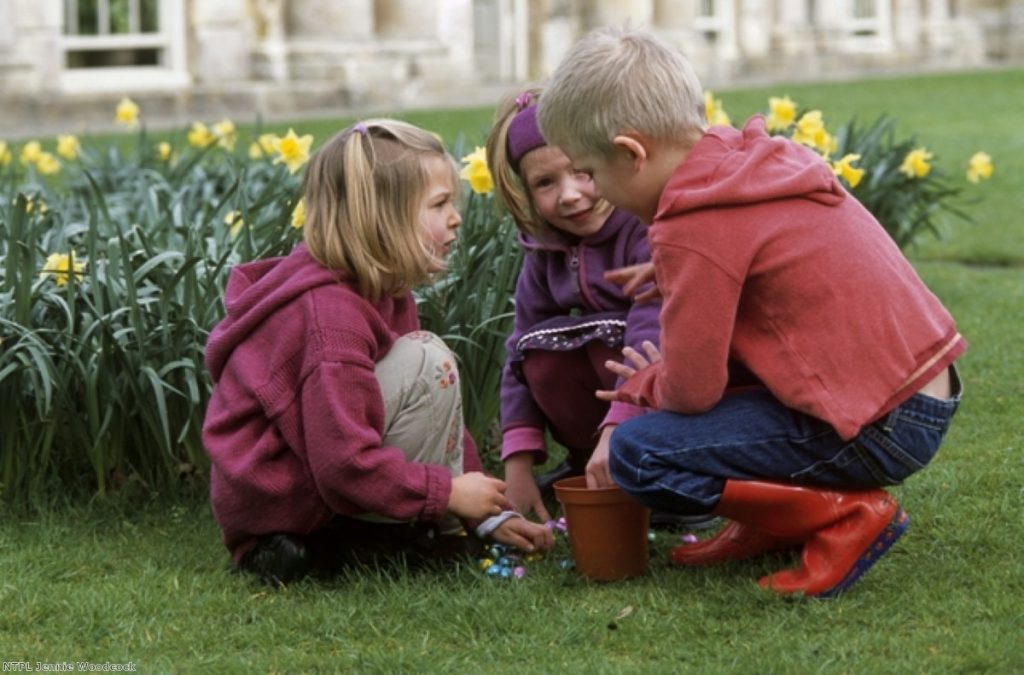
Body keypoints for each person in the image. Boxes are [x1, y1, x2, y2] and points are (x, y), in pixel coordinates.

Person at [537, 27, 965, 597]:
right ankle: (772, 521)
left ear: (633, 153)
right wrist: (676, 275)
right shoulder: (746, 163)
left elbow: (693, 392)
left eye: (590, 171)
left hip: (875, 427)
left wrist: (647, 385)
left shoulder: (693, 225)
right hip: (918, 397)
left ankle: (839, 516)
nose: (593, 190)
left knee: (641, 454)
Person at [202, 119, 553, 585]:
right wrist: (446, 493)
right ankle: (334, 542)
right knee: (428, 358)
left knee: (429, 366)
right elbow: (341, 462)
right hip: (282, 507)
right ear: (383, 218)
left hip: (316, 477)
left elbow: (438, 413)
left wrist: (486, 513)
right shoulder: (330, 317)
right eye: (440, 204)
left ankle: (387, 531)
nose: (457, 217)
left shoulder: (383, 289)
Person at [484, 87, 662, 522]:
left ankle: (657, 469)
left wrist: (617, 429)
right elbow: (517, 357)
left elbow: (653, 334)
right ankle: (587, 463)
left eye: (580, 171)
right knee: (539, 353)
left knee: (613, 343)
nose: (569, 195)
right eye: (545, 183)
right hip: (605, 422)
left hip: (664, 397)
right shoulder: (545, 252)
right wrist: (518, 465)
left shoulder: (643, 230)